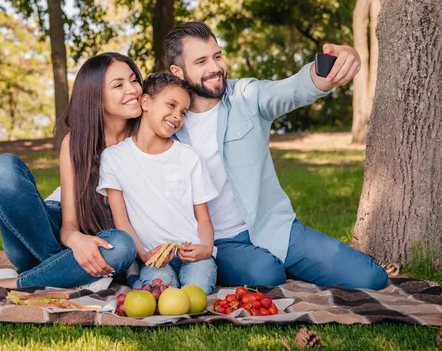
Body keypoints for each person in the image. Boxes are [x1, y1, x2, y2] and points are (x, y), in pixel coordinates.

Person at [163, 21, 389, 290]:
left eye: (217, 56)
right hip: (219, 242)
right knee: (266, 274)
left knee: (372, 278)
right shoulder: (168, 123)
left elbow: (293, 89)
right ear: (178, 72)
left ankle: (271, 260)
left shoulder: (246, 96)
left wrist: (333, 65)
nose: (214, 68)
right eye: (201, 61)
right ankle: (238, 265)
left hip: (276, 228)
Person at [0, 53, 142, 288]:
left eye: (134, 80)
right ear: (95, 96)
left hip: (104, 241)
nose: (133, 89)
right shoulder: (75, 142)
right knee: (3, 167)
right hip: (44, 235)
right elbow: (69, 226)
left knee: (123, 246)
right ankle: (69, 273)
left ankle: (13, 283)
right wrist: (76, 241)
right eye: (119, 85)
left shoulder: (147, 138)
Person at [97, 73, 219, 295]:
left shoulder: (189, 157)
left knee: (197, 291)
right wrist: (143, 254)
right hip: (153, 257)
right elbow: (121, 222)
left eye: (182, 112)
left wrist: (206, 249)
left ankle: (138, 279)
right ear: (145, 103)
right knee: (160, 292)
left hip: (192, 255)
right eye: (171, 105)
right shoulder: (114, 158)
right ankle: (135, 275)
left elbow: (203, 219)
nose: (176, 116)